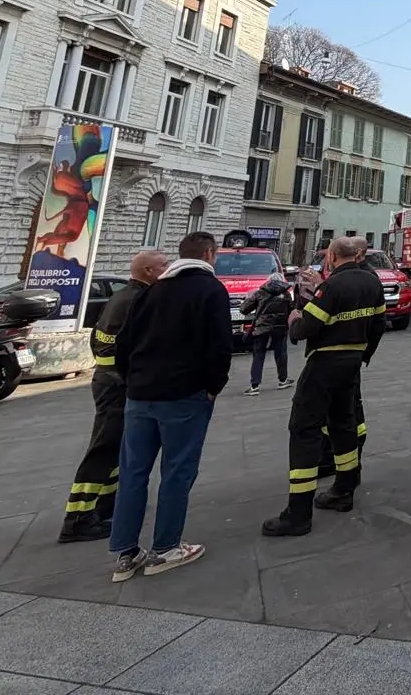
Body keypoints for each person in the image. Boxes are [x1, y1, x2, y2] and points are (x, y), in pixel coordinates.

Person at [107, 231, 232, 582]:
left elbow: (123, 344)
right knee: (177, 471)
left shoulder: (152, 291)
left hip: (140, 395)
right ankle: (165, 548)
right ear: (209, 254)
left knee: (133, 472)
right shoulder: (211, 290)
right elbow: (220, 345)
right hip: (183, 394)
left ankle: (126, 552)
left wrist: (133, 380)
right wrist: (213, 387)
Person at [262, 236, 384, 537]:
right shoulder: (372, 283)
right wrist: (363, 355)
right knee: (343, 425)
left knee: (304, 430)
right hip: (352, 362)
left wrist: (294, 320)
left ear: (331, 256)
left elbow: (306, 328)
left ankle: (298, 514)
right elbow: (378, 325)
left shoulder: (332, 286)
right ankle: (344, 489)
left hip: (324, 364)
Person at [59, 249, 167, 544]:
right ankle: (77, 518)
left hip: (109, 381)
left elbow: (99, 339)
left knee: (117, 446)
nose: (167, 268)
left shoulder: (122, 296)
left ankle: (106, 504)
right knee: (104, 448)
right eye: (163, 265)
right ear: (148, 271)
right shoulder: (139, 299)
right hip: (117, 385)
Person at [240, 274, 293, 394]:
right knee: (281, 354)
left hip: (262, 328)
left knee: (258, 355)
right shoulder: (286, 294)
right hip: (280, 328)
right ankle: (283, 380)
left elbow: (244, 309)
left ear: (268, 282)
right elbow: (291, 310)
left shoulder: (260, 293)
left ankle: (255, 385)